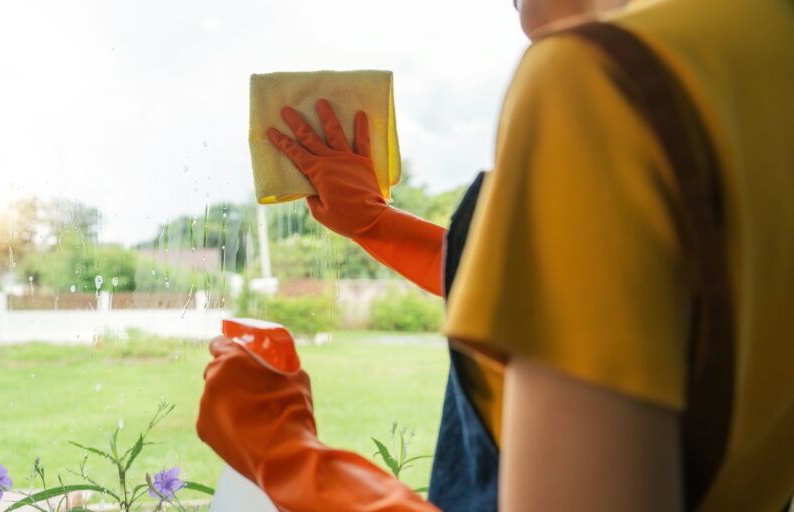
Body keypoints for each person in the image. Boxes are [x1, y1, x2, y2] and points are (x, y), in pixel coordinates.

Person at [197, 0, 794, 510]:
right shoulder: (759, 56)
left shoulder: (602, 80)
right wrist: (377, 225)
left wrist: (282, 452)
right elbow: (610, 299)